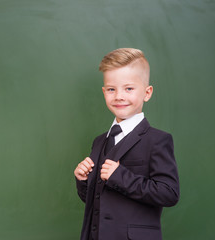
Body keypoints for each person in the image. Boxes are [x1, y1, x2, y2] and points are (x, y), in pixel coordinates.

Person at [74, 48, 180, 240]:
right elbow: (98, 200)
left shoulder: (158, 140)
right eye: (111, 89)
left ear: (147, 93)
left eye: (129, 88)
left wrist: (120, 177)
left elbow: (169, 193)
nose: (119, 96)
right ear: (104, 91)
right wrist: (83, 180)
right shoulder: (99, 141)